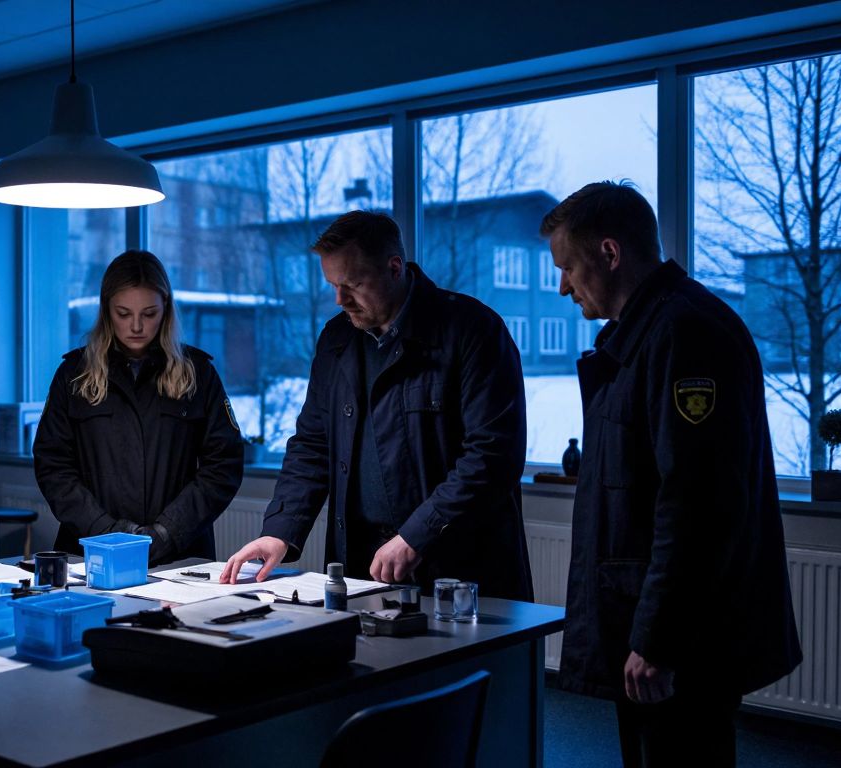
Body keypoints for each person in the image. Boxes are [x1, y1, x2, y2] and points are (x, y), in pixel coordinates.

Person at [543, 181, 801, 766]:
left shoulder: (684, 334)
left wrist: (658, 640)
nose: (562, 286)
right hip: (657, 623)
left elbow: (696, 505)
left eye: (567, 268)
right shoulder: (643, 335)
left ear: (609, 253)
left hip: (684, 640)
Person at [221, 211, 533, 601]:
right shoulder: (337, 339)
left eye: (352, 284)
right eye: (333, 285)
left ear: (394, 267)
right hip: (361, 568)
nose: (340, 299)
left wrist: (415, 535)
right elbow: (313, 445)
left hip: (459, 570)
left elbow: (492, 457)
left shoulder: (472, 331)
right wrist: (279, 532)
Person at [33, 249, 243, 565]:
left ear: (166, 309)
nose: (136, 326)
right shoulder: (73, 374)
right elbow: (53, 467)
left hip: (179, 555)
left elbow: (223, 466)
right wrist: (108, 532)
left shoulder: (197, 373)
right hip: (91, 551)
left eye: (148, 314)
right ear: (106, 311)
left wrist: (167, 532)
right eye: (123, 313)